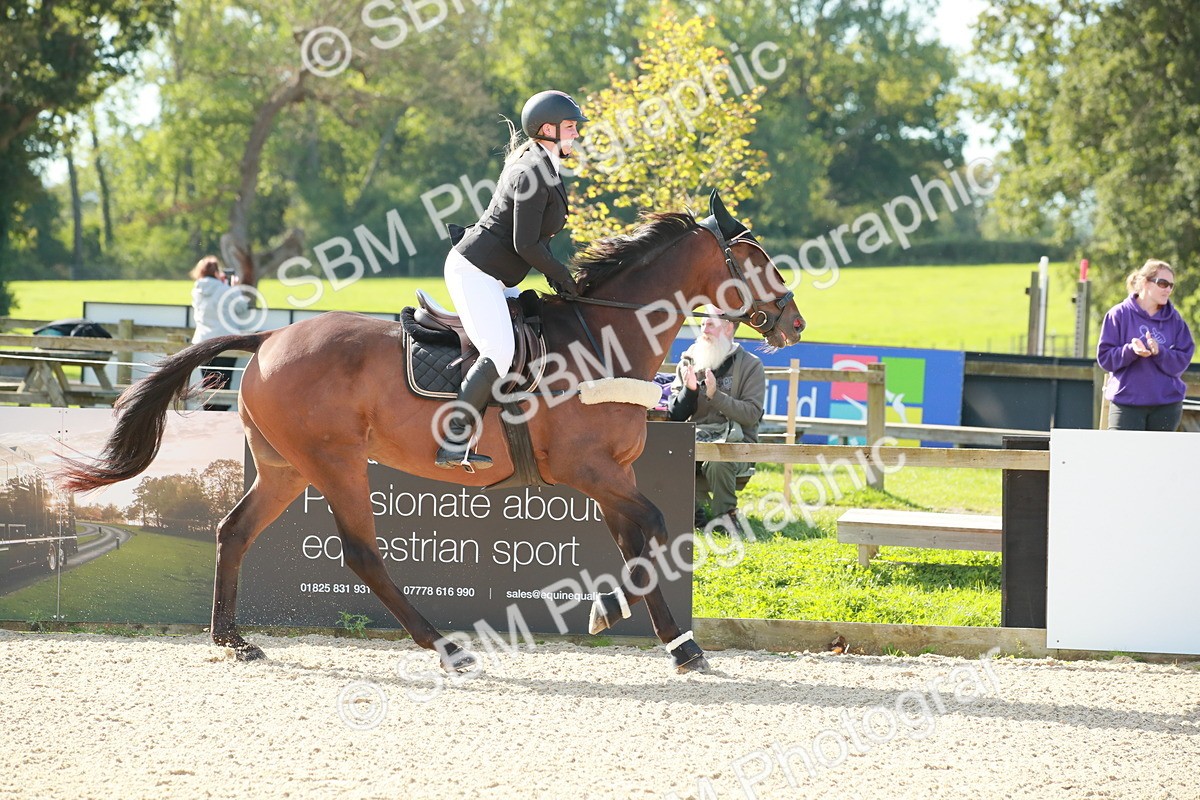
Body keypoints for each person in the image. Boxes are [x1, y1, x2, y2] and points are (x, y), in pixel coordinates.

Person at [435, 90, 587, 470]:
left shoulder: (547, 165)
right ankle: (453, 440)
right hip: (476, 272)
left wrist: (556, 274)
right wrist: (560, 274)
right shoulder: (530, 170)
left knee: (536, 333)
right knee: (500, 352)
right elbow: (525, 243)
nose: (576, 134)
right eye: (570, 127)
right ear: (547, 129)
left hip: (500, 276)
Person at [667, 309, 766, 531]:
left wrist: (716, 396)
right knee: (669, 456)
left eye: (710, 325)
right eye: (702, 325)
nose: (704, 330)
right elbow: (675, 416)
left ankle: (725, 518)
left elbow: (751, 414)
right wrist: (689, 391)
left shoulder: (751, 365)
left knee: (717, 461)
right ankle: (692, 516)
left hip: (738, 444)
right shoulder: (688, 362)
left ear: (729, 327)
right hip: (695, 440)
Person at [1097, 259, 1195, 431]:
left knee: (1160, 458)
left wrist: (1160, 352)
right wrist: (1130, 350)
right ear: (1144, 282)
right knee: (1123, 457)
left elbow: (1182, 360)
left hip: (1167, 405)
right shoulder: (1118, 314)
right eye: (1163, 283)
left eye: (1171, 285)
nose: (1168, 290)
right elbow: (1105, 359)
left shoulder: (1176, 320)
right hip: (1126, 403)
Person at [190, 255, 251, 411]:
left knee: (208, 383)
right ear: (217, 271)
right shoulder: (225, 290)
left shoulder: (196, 290)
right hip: (225, 342)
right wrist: (234, 288)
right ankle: (220, 418)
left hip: (202, 343)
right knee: (224, 383)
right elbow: (242, 309)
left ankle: (209, 417)